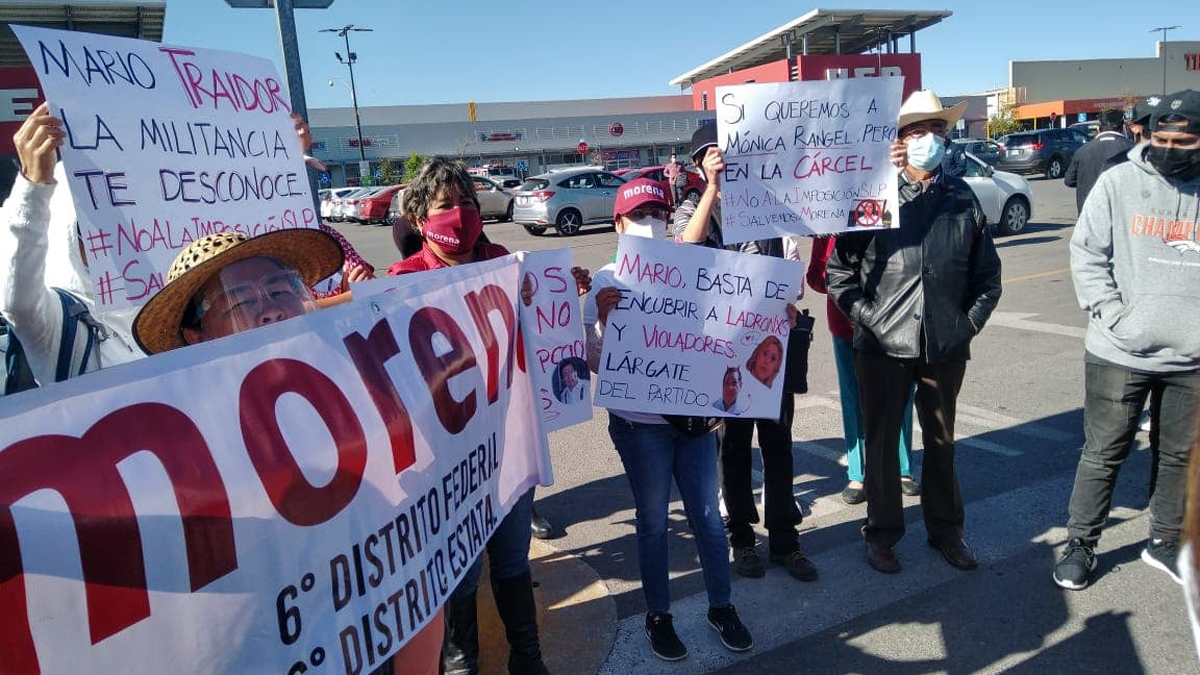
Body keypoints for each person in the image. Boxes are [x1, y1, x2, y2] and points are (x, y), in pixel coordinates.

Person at [130, 229, 442, 675]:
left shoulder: (361, 387)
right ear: (195, 336)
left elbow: (413, 579)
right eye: (239, 302)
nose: (270, 310)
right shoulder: (179, 454)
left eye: (280, 289)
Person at [388, 156, 588, 675]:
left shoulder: (504, 260)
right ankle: (461, 664)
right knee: (457, 570)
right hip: (445, 461)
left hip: (506, 445)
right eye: (445, 206)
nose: (459, 214)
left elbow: (541, 328)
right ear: (419, 219)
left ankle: (528, 657)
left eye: (467, 203)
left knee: (512, 559)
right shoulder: (402, 279)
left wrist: (561, 289)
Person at [826, 90, 1003, 575]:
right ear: (898, 141)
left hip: (945, 345)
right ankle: (881, 534)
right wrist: (871, 319)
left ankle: (946, 531)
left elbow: (988, 277)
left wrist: (967, 325)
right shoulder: (872, 196)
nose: (930, 140)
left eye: (937, 130)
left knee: (942, 442)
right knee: (882, 444)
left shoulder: (962, 196)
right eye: (917, 131)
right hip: (882, 346)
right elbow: (839, 274)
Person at [585, 177, 752, 661]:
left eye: (658, 214)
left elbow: (730, 328)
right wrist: (601, 322)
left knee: (708, 519)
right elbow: (596, 364)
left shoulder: (696, 270)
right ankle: (659, 615)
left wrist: (770, 314)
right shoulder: (606, 280)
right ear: (618, 223)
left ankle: (722, 606)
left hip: (694, 422)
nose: (651, 223)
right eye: (640, 216)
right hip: (640, 428)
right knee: (654, 521)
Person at [1052, 89, 1200, 591]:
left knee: (1179, 454)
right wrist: (1116, 317)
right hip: (1118, 351)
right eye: (1161, 138)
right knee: (1104, 451)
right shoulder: (1118, 181)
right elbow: (1087, 255)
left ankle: (1164, 540)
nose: (1170, 148)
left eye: (1184, 141)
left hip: (1192, 358)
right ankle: (1080, 544)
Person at [674, 123, 816, 583]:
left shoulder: (765, 205)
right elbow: (687, 248)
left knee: (778, 446)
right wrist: (713, 188)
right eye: (713, 156)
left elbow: (787, 266)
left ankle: (785, 540)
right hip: (722, 350)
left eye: (729, 156)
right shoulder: (693, 207)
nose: (725, 163)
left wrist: (788, 304)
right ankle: (741, 539)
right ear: (699, 164)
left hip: (769, 343)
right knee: (732, 448)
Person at [0, 102, 143, 385]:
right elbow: (18, 303)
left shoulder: (158, 309)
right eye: (90, 228)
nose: (114, 238)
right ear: (62, 232)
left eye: (124, 225)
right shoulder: (58, 323)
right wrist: (33, 187)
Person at [807, 235, 920, 505]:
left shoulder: (890, 212)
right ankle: (857, 472)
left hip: (893, 320)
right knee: (852, 397)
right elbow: (814, 275)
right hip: (845, 325)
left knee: (901, 394)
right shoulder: (829, 225)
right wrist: (841, 283)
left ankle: (902, 468)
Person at [1065, 109, 1134, 213]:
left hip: (1088, 216)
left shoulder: (1082, 151)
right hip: (1120, 215)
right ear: (1122, 128)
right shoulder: (1133, 149)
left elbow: (1069, 180)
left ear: (1098, 129)